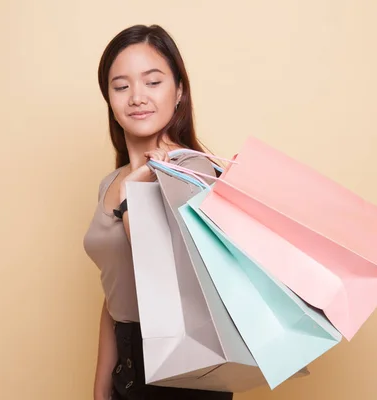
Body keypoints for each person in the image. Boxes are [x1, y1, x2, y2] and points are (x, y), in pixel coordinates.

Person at [83, 25, 233, 400]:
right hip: (128, 368)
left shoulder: (195, 172)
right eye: (121, 87)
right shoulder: (110, 182)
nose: (137, 97)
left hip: (186, 372)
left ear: (179, 91)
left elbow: (170, 277)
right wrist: (101, 390)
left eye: (153, 82)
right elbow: (115, 293)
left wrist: (138, 192)